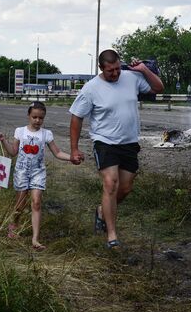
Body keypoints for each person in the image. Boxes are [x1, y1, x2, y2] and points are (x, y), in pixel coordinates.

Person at [69, 49, 164, 249]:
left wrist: (144, 69)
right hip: (105, 142)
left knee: (125, 188)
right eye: (110, 70)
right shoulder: (91, 88)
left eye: (117, 68)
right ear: (101, 68)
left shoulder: (130, 77)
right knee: (110, 184)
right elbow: (76, 117)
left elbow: (158, 88)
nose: (115, 73)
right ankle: (112, 236)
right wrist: (74, 149)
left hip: (129, 142)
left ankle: (102, 211)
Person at [0, 101, 75, 251]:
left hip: (38, 172)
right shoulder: (20, 131)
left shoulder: (46, 134)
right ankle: (14, 225)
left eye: (41, 118)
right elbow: (13, 152)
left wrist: (71, 157)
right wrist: (3, 141)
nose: (37, 121)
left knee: (37, 202)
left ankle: (35, 239)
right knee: (20, 204)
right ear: (28, 116)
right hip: (21, 171)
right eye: (34, 117)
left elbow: (57, 152)